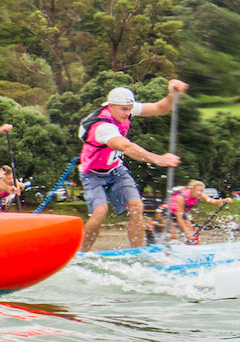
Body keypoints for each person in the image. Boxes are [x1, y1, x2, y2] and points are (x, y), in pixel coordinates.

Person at [78, 82, 188, 251]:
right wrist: (158, 159)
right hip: (93, 174)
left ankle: (137, 253)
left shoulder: (124, 109)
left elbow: (160, 108)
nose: (128, 113)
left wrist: (172, 94)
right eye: (124, 109)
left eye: (130, 109)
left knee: (137, 206)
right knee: (100, 212)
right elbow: (127, 147)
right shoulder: (102, 127)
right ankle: (80, 254)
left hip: (116, 169)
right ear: (111, 106)